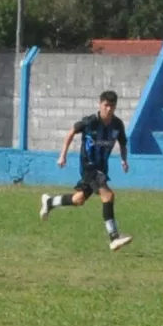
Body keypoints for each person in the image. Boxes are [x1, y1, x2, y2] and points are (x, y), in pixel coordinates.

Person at [39, 90, 134, 251]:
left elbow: (123, 143)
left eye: (112, 106)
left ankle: (49, 202)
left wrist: (124, 159)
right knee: (108, 195)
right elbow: (71, 132)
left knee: (78, 199)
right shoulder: (90, 122)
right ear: (100, 105)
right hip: (89, 166)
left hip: (102, 169)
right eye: (106, 106)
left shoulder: (117, 125)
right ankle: (114, 237)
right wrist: (63, 155)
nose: (109, 109)